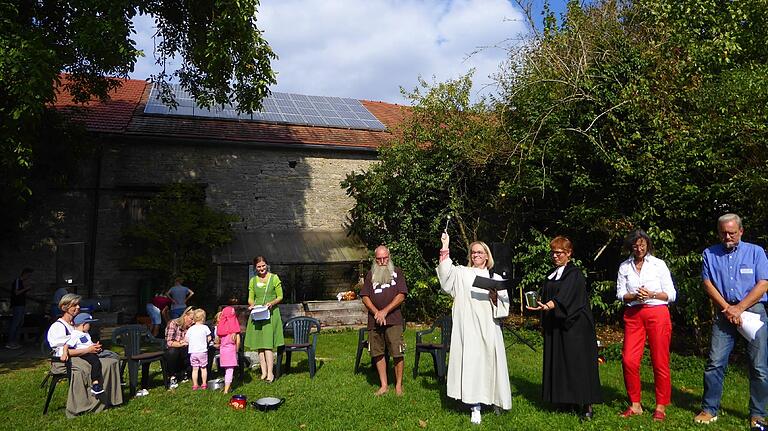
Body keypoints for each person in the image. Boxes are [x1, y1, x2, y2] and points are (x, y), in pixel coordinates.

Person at [694, 213, 768, 429]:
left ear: (741, 231)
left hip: (753, 312)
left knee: (759, 366)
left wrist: (739, 308)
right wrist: (728, 309)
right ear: (718, 232)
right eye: (723, 232)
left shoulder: (756, 252)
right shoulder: (709, 254)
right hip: (724, 312)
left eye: (732, 233)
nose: (727, 236)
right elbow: (707, 284)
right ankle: (709, 409)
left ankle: (758, 414)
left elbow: (764, 284)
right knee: (715, 362)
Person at [437, 232, 512, 425]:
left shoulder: (494, 276)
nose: (476, 255)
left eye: (480, 252)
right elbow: (446, 276)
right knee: (473, 365)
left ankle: (495, 400)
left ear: (487, 256)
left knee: (492, 363)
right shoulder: (463, 273)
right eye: (473, 252)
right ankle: (475, 406)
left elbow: (504, 305)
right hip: (469, 328)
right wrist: (445, 246)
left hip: (489, 327)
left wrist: (495, 298)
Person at [526, 236, 602, 420]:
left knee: (578, 364)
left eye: (559, 253)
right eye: (553, 252)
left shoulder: (574, 273)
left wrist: (550, 305)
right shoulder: (552, 274)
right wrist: (542, 310)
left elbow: (566, 296)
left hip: (576, 327)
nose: (555, 256)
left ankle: (586, 405)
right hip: (557, 325)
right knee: (562, 363)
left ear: (569, 253)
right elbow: (547, 295)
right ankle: (567, 400)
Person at [616, 229, 676, 421]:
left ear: (648, 245)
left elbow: (671, 294)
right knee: (629, 360)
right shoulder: (625, 267)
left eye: (642, 244)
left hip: (657, 312)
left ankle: (660, 406)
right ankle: (635, 404)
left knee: (660, 360)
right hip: (633, 314)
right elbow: (620, 294)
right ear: (630, 247)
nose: (639, 248)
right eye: (635, 245)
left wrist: (652, 294)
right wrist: (634, 296)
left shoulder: (659, 264)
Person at [46, 294, 122, 417]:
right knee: (85, 368)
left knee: (110, 362)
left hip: (83, 356)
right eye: (74, 305)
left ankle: (107, 400)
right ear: (65, 307)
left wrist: (93, 348)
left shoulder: (77, 324)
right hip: (64, 361)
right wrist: (88, 350)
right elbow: (62, 352)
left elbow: (84, 344)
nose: (78, 307)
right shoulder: (58, 327)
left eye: (78, 304)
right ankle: (83, 406)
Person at [359, 245, 408, 396]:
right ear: (375, 259)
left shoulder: (397, 272)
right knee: (377, 352)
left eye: (385, 258)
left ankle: (398, 385)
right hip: (375, 320)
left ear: (389, 256)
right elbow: (365, 296)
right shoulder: (370, 275)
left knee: (397, 352)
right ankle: (384, 385)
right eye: (379, 259)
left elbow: (401, 294)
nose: (382, 261)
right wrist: (376, 312)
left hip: (393, 319)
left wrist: (385, 311)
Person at [244, 256, 284, 382]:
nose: (261, 268)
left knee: (268, 344)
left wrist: (271, 303)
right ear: (255, 268)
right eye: (259, 266)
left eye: (263, 265)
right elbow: (250, 297)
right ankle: (263, 371)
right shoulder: (253, 280)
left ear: (267, 265)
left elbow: (280, 296)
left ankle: (271, 373)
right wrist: (252, 305)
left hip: (270, 313)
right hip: (257, 313)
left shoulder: (274, 278)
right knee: (259, 345)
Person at [63, 312, 105, 395]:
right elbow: (66, 345)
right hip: (84, 353)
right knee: (95, 362)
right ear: (83, 324)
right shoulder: (75, 334)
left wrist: (95, 346)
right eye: (89, 324)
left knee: (106, 356)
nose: (90, 326)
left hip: (90, 351)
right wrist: (64, 353)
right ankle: (95, 383)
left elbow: (88, 344)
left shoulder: (86, 333)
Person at [165, 306, 195, 389]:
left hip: (186, 348)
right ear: (185, 315)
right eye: (191, 319)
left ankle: (186, 373)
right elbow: (169, 342)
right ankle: (172, 376)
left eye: (194, 320)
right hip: (174, 348)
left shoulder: (193, 327)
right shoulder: (174, 323)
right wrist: (180, 343)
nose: (192, 322)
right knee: (173, 351)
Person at [6, 268, 33, 349]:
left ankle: (15, 342)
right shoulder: (18, 281)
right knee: (15, 323)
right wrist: (26, 288)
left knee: (20, 323)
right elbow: (16, 292)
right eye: (28, 275)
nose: (28, 277)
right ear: (24, 274)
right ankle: (10, 342)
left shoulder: (21, 282)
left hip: (21, 304)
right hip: (18, 305)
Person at [217, 306, 242, 393]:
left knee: (226, 370)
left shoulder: (221, 328)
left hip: (223, 351)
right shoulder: (234, 330)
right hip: (231, 351)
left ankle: (228, 387)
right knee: (230, 371)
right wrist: (237, 350)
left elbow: (219, 340)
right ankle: (226, 390)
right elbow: (238, 342)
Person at [185, 309, 211, 390]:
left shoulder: (191, 329)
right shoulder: (205, 327)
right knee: (203, 368)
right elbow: (209, 338)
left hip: (193, 352)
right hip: (202, 351)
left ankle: (195, 385)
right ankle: (203, 384)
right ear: (203, 318)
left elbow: (186, 340)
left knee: (195, 369)